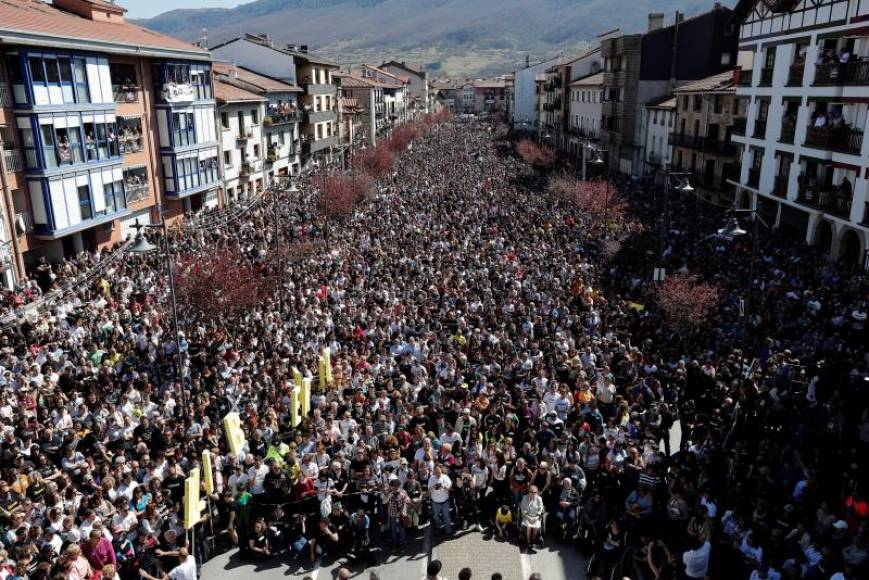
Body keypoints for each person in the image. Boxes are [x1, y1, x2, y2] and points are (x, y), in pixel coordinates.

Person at [428, 464, 453, 535]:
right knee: (436, 516)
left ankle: (448, 530)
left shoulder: (445, 477)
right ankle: (438, 527)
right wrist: (433, 486)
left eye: (439, 472)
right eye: (436, 472)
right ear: (434, 472)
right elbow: (429, 490)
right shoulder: (431, 478)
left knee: (446, 516)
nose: (438, 474)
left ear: (441, 470)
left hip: (445, 501)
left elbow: (450, 488)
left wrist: (443, 486)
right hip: (435, 502)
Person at [520, 485, 544, 553]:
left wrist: (536, 517)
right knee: (529, 527)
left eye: (534, 492)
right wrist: (528, 517)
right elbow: (523, 508)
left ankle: (533, 541)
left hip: (536, 517)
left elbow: (541, 509)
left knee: (536, 527)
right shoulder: (525, 497)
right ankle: (528, 542)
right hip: (527, 516)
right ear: (529, 491)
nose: (533, 493)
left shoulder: (539, 498)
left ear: (536, 492)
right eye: (531, 492)